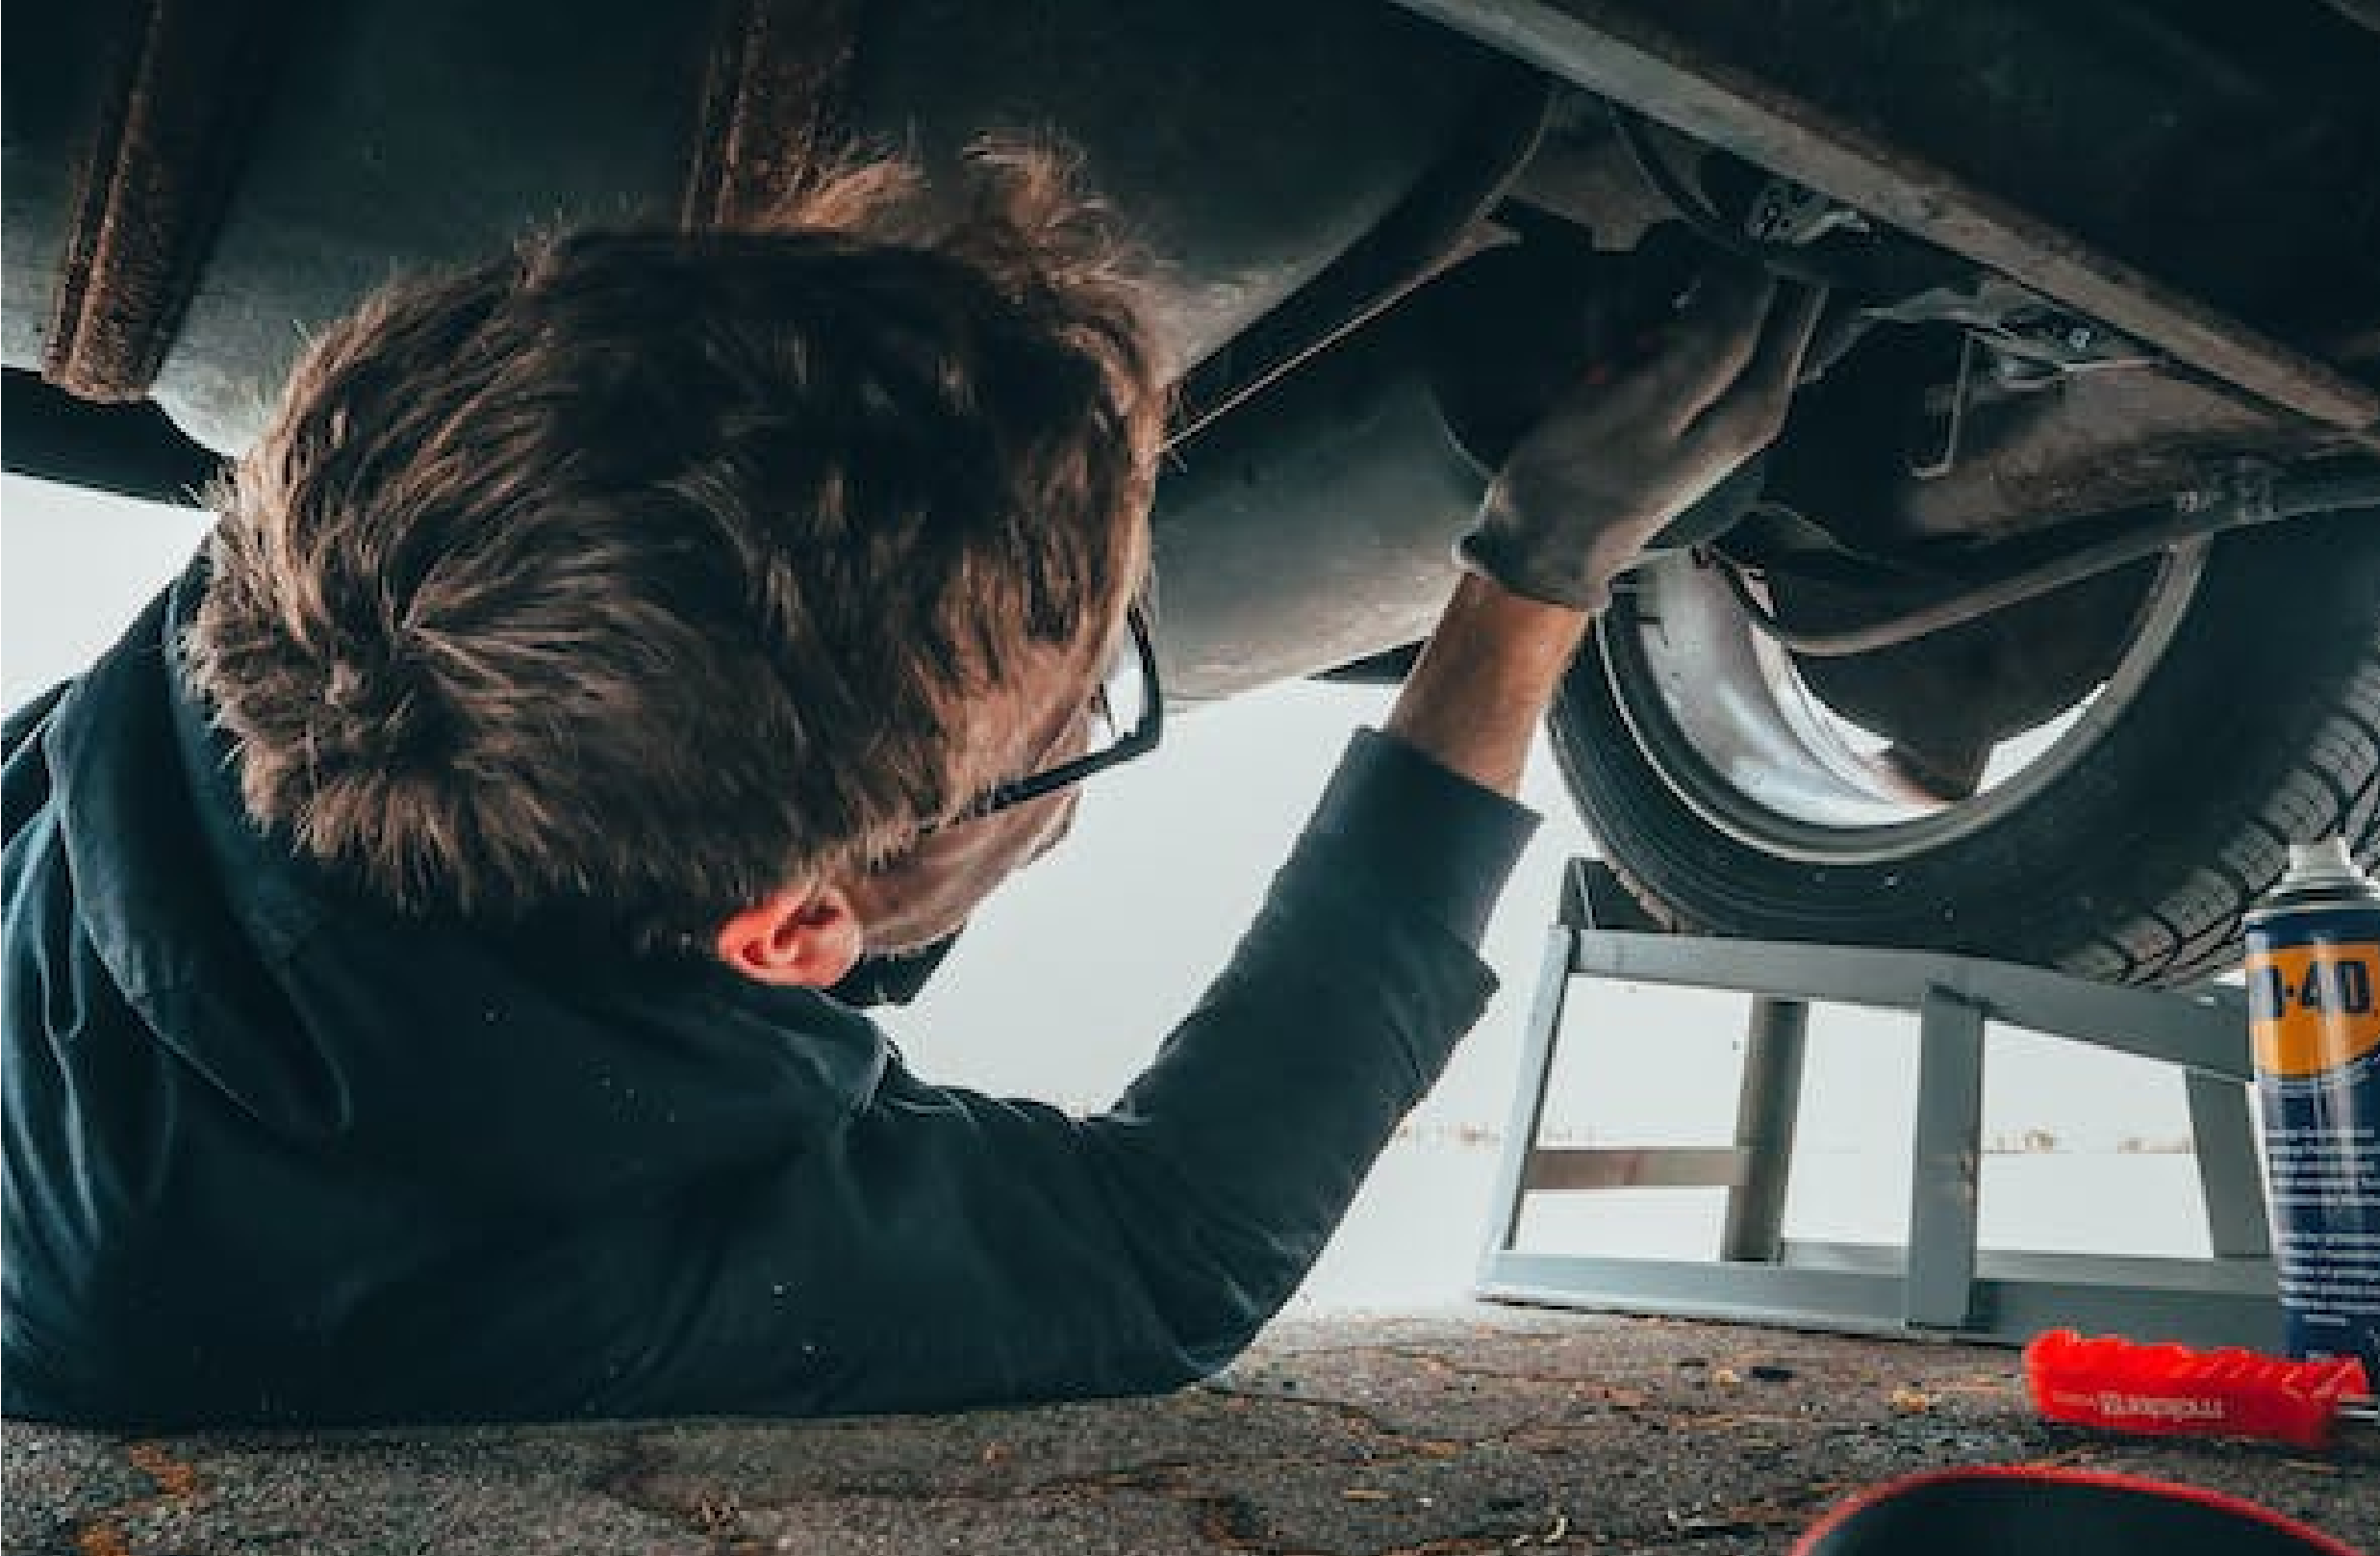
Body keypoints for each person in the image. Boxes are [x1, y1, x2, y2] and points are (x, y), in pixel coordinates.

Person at [2, 147, 1818, 1427]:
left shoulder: (355, 563)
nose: (1089, 726)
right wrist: (1531, 578)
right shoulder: (492, 1268)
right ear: (792, 930)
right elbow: (1174, 1247)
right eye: (1082, 713)